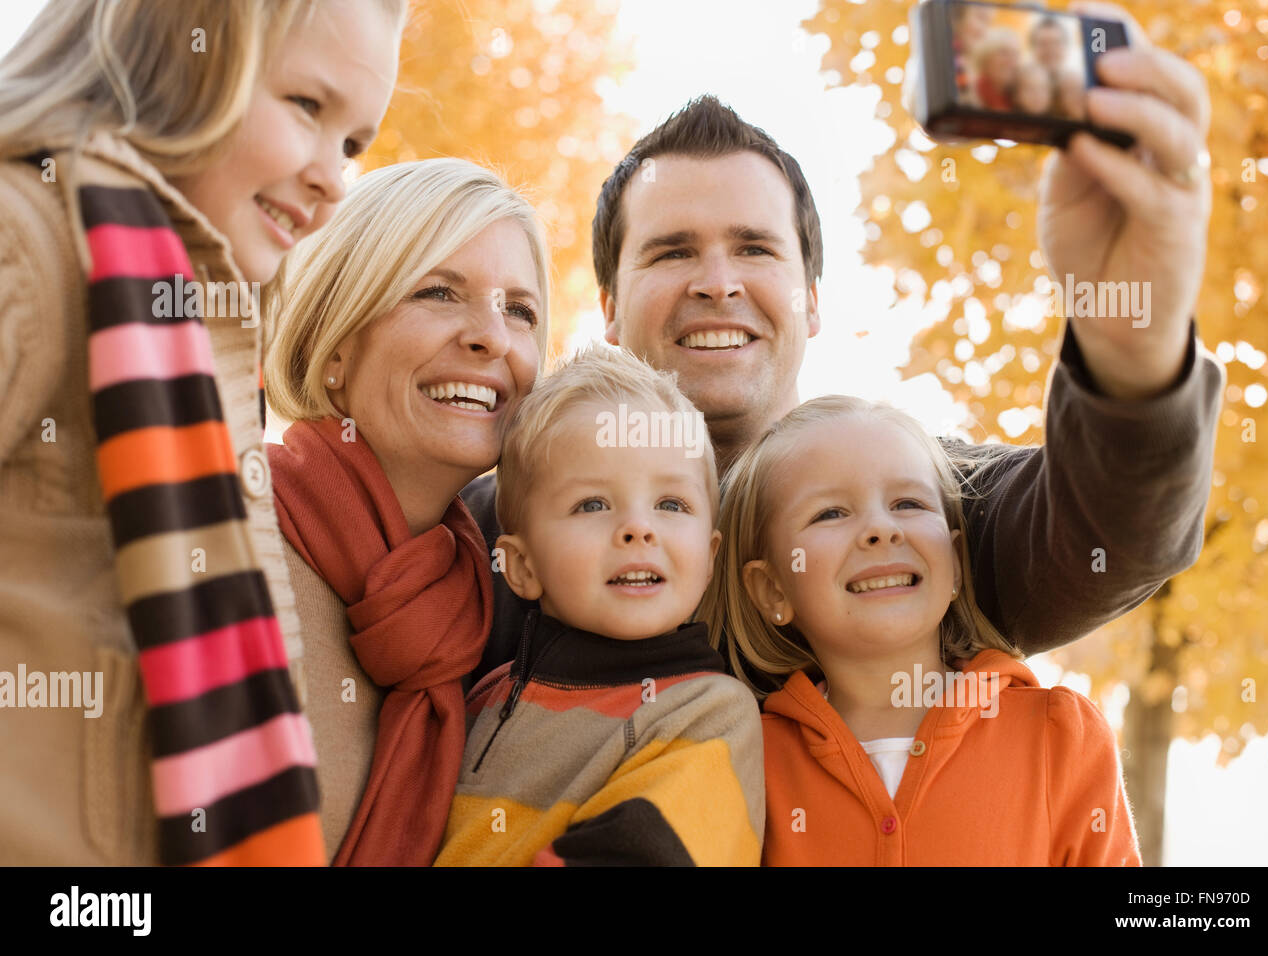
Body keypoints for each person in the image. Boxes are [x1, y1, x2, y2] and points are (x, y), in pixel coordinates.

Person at [464, 0, 1222, 697]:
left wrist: (1133, 338)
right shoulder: (505, 518)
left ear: (813, 299)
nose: (718, 283)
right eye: (671, 253)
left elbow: (1111, 531)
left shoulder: (925, 499)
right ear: (608, 310)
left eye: (755, 248)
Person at [0, 0, 402, 866]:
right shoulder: (27, 243)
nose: (333, 176)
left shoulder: (202, 333)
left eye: (354, 144)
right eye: (306, 107)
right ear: (179, 51)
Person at [701, 395, 1141, 865]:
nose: (881, 529)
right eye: (831, 513)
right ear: (772, 590)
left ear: (953, 563)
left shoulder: (1060, 737)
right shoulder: (744, 764)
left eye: (908, 503)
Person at [263, 158, 549, 865]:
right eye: (438, 292)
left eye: (520, 309)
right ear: (333, 347)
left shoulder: (481, 601)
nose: (492, 336)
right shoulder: (221, 540)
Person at [435, 347, 763, 866]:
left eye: (671, 504)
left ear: (708, 559)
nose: (639, 527)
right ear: (522, 566)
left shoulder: (707, 711)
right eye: (593, 504)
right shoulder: (482, 702)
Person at [971, 27, 1023, 112]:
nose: (1011, 60)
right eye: (1004, 53)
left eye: (1015, 54)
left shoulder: (1019, 99)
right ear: (985, 58)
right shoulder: (970, 95)